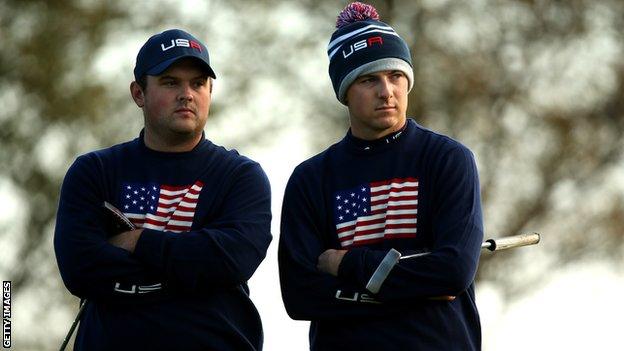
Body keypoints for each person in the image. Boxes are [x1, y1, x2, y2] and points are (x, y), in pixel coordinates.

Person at [278, 2, 483, 350]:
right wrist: (415, 288)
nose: (386, 91)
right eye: (369, 79)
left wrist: (347, 263)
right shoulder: (310, 179)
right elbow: (300, 297)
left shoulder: (448, 160)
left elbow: (453, 272)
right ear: (345, 91)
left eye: (396, 76)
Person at [54, 29, 272, 351]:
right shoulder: (94, 171)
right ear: (138, 93)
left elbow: (231, 259)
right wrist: (193, 273)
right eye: (170, 82)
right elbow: (80, 269)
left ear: (210, 91)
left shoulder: (240, 176)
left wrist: (137, 241)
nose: (187, 94)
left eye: (198, 83)